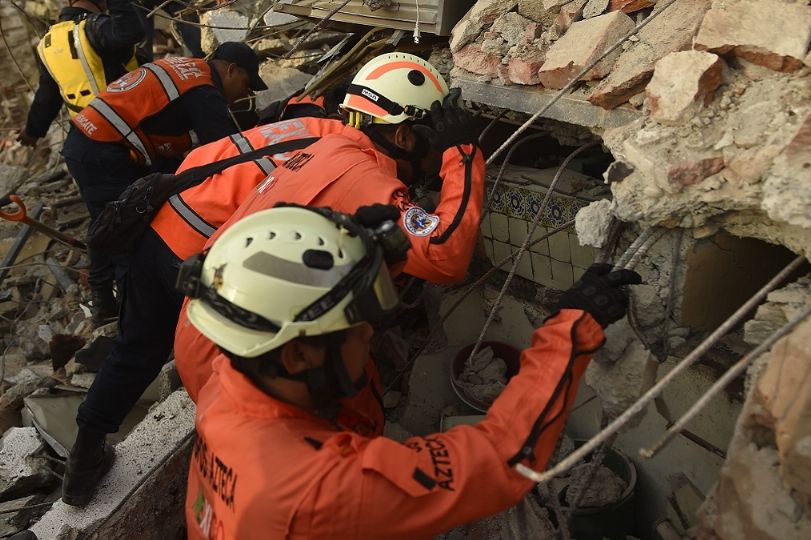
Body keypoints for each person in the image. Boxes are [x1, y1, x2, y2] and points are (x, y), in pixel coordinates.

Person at [177, 204, 641, 539]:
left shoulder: (228, 382)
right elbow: (501, 459)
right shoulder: (319, 490)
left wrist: (367, 265)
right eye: (357, 327)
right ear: (298, 356)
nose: (369, 337)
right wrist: (572, 329)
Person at [174, 52, 486, 401]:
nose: (436, 158)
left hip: (211, 333)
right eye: (435, 145)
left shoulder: (334, 148)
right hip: (239, 363)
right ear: (403, 137)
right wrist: (463, 155)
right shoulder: (363, 178)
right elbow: (447, 256)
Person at [61, 41, 266, 323]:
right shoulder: (204, 91)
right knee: (126, 229)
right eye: (246, 84)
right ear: (231, 70)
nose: (245, 94)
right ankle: (131, 315)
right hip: (102, 149)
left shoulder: (187, 70)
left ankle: (107, 304)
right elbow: (227, 152)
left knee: (111, 221)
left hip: (90, 141)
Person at [17, 0, 145, 148]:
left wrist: (32, 130)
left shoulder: (47, 42)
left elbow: (48, 95)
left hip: (88, 136)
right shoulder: (98, 27)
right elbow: (132, 31)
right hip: (131, 127)